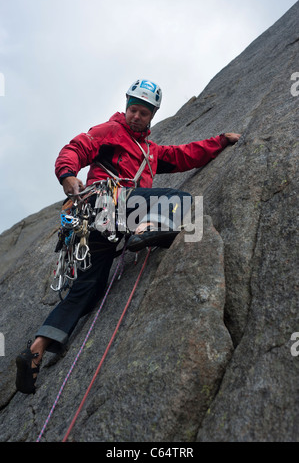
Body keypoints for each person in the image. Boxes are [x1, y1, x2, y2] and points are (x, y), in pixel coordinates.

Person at [16, 79, 240, 394]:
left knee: (89, 290)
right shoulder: (110, 131)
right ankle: (144, 231)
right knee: (181, 200)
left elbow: (183, 156)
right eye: (133, 109)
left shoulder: (150, 150)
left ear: (152, 116)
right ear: (126, 107)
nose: (136, 116)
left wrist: (219, 142)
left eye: (144, 113)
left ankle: (36, 348)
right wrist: (68, 174)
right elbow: (77, 147)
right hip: (104, 203)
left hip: (104, 227)